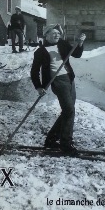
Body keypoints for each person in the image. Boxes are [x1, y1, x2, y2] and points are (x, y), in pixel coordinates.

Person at [30, 24, 86, 155]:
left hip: (69, 78)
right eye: (54, 33)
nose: (57, 35)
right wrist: (38, 87)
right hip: (57, 81)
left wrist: (80, 43)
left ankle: (51, 139)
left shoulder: (63, 44)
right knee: (69, 110)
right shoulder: (40, 51)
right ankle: (66, 144)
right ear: (46, 35)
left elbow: (76, 54)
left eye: (58, 33)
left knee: (68, 111)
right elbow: (34, 71)